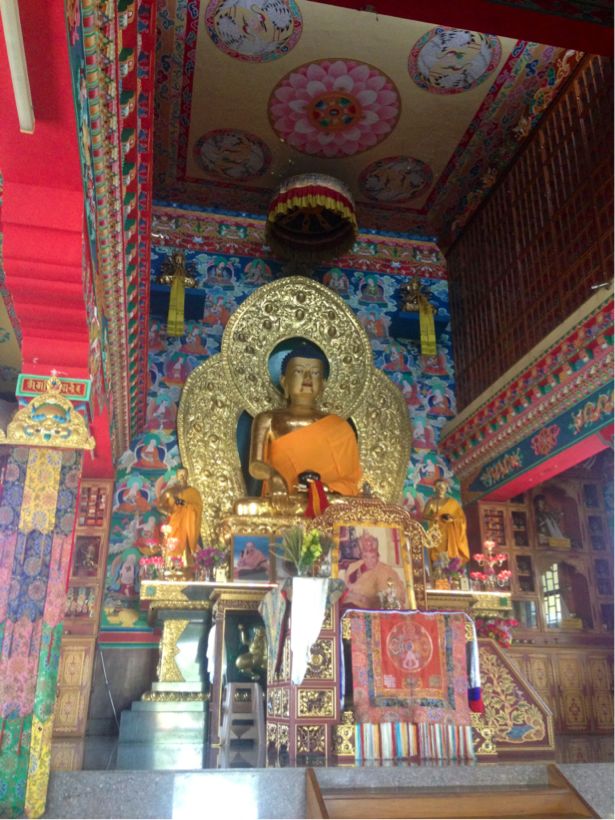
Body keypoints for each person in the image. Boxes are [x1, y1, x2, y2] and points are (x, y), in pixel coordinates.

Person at [248, 343, 362, 500]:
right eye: (299, 371)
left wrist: (323, 488)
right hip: (284, 500)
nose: (307, 378)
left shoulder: (338, 425)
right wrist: (273, 475)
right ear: (284, 381)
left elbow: (351, 481)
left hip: (328, 500)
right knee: (244, 507)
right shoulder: (268, 419)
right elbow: (255, 465)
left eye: (315, 373)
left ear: (323, 384)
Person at [343, 531, 406, 610]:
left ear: (378, 556)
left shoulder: (385, 571)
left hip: (364, 610)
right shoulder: (354, 567)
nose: (369, 561)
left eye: (373, 557)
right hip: (346, 606)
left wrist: (362, 598)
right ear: (361, 556)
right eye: (365, 556)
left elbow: (390, 597)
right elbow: (345, 588)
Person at [157, 467, 203, 564]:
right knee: (173, 543)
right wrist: (170, 513)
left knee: (186, 544)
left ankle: (187, 564)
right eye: (180, 475)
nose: (182, 477)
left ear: (187, 476)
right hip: (174, 521)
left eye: (184, 475)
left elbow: (197, 507)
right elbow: (160, 506)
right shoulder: (170, 491)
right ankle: (172, 564)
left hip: (188, 524)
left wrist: (181, 502)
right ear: (177, 476)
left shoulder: (193, 492)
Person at [423, 479, 470, 565]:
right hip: (436, 531)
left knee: (449, 552)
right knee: (437, 553)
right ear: (434, 488)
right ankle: (438, 566)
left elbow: (461, 519)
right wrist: (433, 517)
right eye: (438, 486)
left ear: (446, 488)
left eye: (443, 486)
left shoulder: (453, 503)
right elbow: (424, 515)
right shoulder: (431, 502)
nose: (441, 489)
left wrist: (452, 520)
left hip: (449, 531)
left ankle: (451, 566)